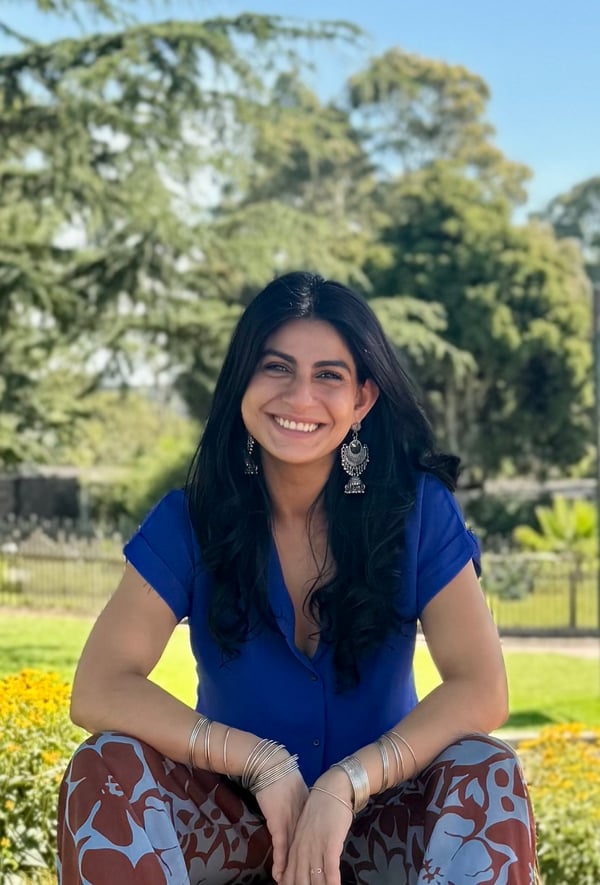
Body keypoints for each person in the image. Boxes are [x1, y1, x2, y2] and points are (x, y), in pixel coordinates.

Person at [57, 272, 538, 885]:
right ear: (243, 384)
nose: (299, 396)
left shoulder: (416, 511)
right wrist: (261, 764)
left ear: (362, 400)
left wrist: (347, 783)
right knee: (105, 763)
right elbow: (98, 688)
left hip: (382, 817)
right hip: (235, 818)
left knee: (487, 769)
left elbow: (481, 688)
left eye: (328, 375)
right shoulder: (190, 520)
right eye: (277, 368)